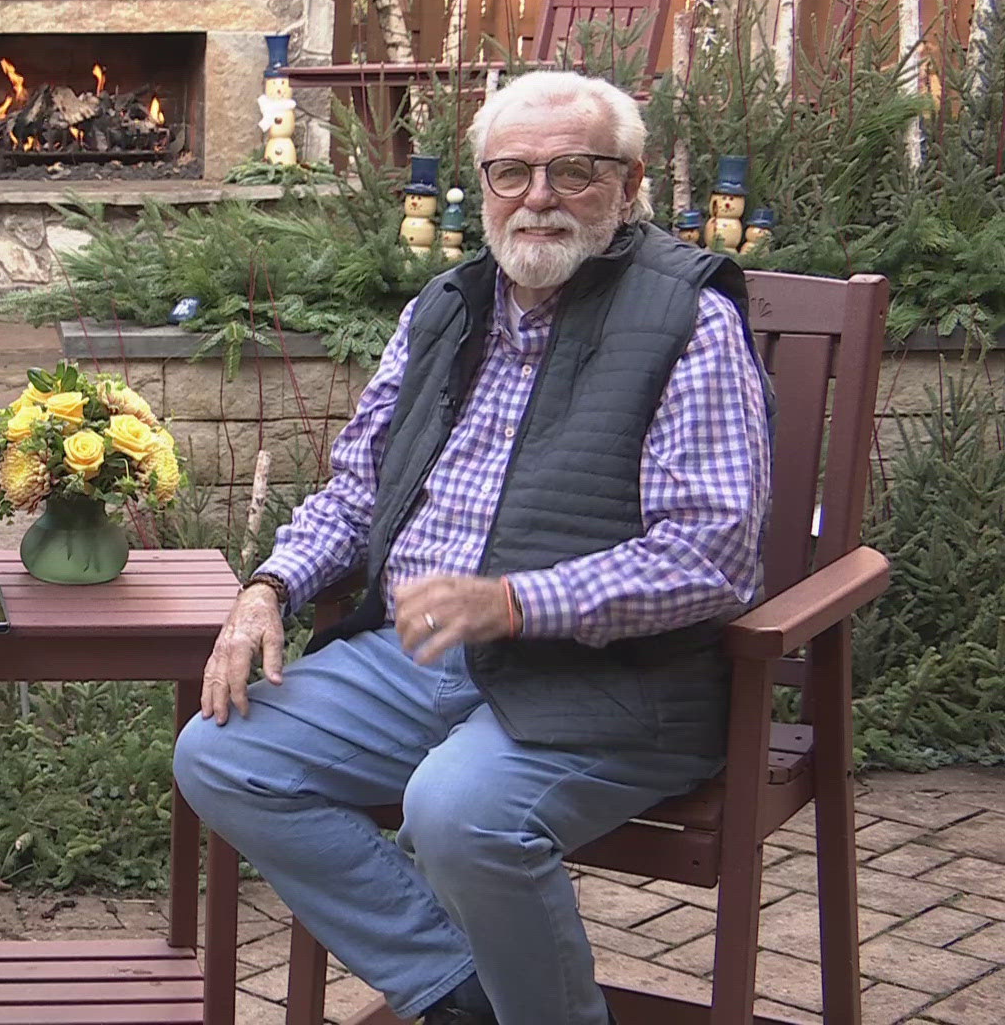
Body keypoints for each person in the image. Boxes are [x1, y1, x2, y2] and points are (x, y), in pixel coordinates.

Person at [173, 70, 772, 1025]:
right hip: (420, 661)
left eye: (573, 171)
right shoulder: (445, 310)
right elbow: (358, 487)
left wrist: (516, 602)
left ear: (632, 183)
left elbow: (711, 553)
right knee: (223, 754)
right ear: (482, 186)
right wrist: (270, 584)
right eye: (511, 173)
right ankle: (460, 994)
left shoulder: (687, 320)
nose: (538, 197)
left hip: (606, 681)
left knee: (458, 814)